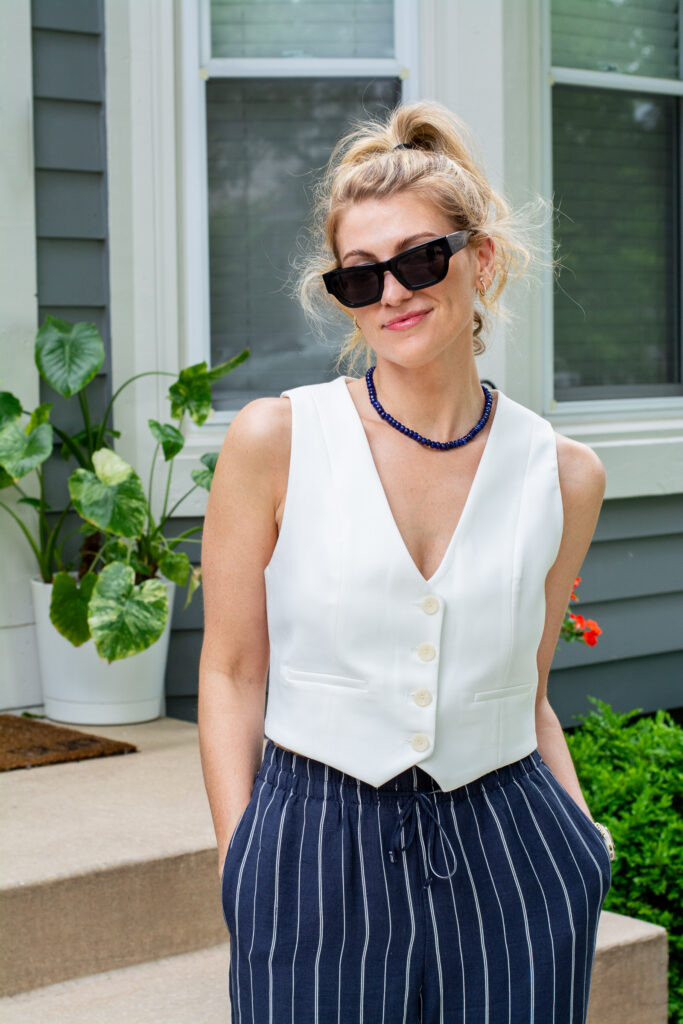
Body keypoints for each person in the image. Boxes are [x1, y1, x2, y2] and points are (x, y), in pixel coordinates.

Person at [198, 100, 615, 1024]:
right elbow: (230, 673)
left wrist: (583, 843)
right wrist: (244, 861)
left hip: (514, 850)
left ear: (482, 261)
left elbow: (529, 689)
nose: (392, 292)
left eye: (421, 259)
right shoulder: (277, 440)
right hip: (312, 843)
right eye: (359, 276)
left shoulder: (563, 475)